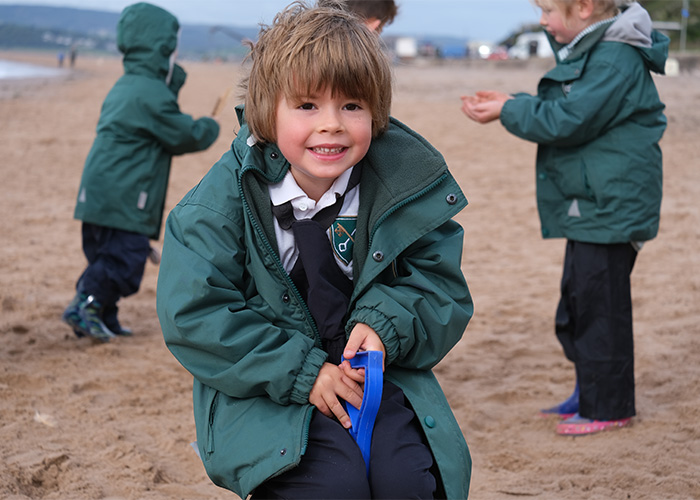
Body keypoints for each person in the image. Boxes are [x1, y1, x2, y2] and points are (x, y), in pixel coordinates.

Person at [157, 1, 473, 498]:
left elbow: (436, 285)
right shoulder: (214, 208)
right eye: (307, 106)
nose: (331, 124)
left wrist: (384, 323)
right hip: (268, 379)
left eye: (352, 106)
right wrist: (303, 373)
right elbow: (195, 314)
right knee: (330, 486)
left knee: (405, 482)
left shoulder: (401, 183)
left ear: (377, 112)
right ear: (267, 112)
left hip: (369, 369)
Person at [461, 0, 667, 436]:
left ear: (586, 8)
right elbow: (574, 107)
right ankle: (590, 390)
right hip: (592, 202)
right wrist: (513, 101)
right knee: (577, 301)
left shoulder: (616, 55)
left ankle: (608, 406)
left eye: (549, 10)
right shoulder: (599, 48)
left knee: (600, 308)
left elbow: (571, 120)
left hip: (610, 205)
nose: (542, 20)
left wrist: (508, 110)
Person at [62, 2, 220, 343]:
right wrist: (209, 126)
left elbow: (159, 109)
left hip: (101, 191)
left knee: (106, 257)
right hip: (124, 193)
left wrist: (171, 79)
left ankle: (102, 314)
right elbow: (182, 133)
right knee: (125, 259)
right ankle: (85, 305)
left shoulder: (132, 85)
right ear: (161, 49)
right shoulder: (148, 94)